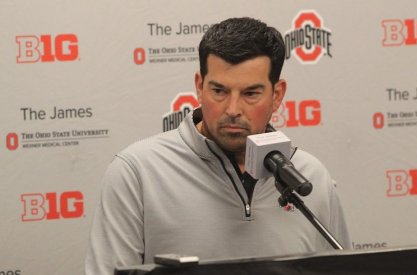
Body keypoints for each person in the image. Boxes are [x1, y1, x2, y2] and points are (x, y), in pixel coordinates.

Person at [85, 17, 350, 275]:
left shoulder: (310, 176)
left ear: (277, 95)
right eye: (219, 91)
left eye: (250, 93)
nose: (233, 110)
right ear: (200, 87)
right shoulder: (137, 172)